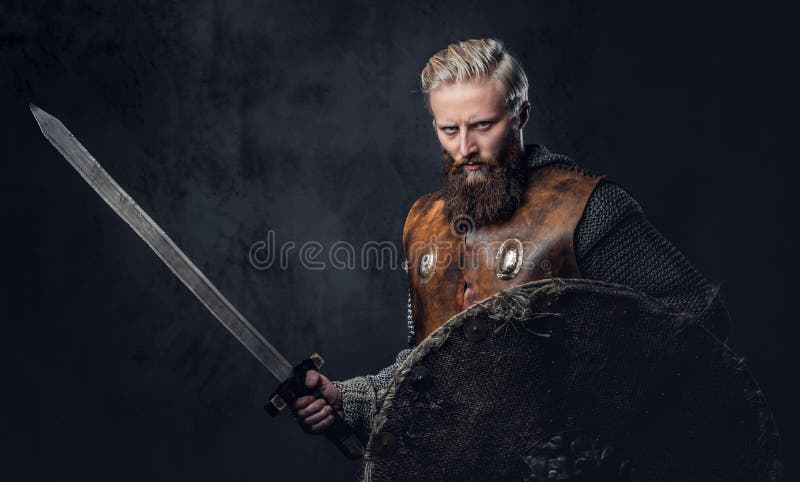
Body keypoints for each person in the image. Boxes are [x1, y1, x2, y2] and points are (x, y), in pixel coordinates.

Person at [292, 38, 729, 442]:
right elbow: (427, 368)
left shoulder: (585, 210)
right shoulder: (425, 223)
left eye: (482, 125)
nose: (465, 148)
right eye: (448, 130)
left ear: (520, 115)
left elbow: (697, 323)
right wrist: (348, 399)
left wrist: (593, 413)